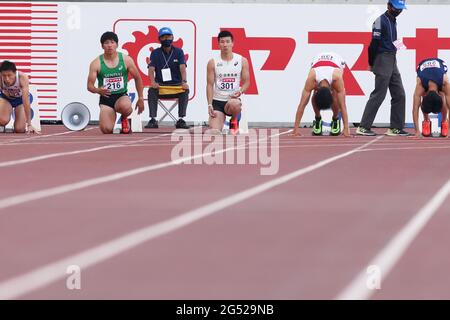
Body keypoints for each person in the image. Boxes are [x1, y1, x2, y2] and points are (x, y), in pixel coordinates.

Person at [356, 0, 409, 136]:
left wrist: (399, 46)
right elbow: (373, 44)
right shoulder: (380, 21)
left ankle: (396, 128)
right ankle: (363, 127)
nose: (399, 11)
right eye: (396, 8)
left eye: (401, 9)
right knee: (379, 94)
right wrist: (371, 62)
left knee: (399, 94)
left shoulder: (393, 20)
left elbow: (392, 40)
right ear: (388, 6)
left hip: (392, 58)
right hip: (382, 58)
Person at [87, 31, 144, 134]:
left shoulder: (126, 60)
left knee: (126, 107)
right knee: (106, 130)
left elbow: (138, 78)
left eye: (112, 42)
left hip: (121, 96)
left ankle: (124, 118)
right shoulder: (96, 63)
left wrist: (140, 98)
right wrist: (98, 90)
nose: (109, 45)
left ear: (117, 44)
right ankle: (111, 116)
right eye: (106, 43)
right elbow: (89, 86)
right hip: (106, 98)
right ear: (102, 46)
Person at [293, 52, 350, 137]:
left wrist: (346, 128)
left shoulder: (337, 77)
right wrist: (295, 130)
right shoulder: (312, 78)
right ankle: (318, 118)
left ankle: (335, 119)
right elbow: (302, 105)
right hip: (317, 62)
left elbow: (342, 105)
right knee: (312, 94)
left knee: (336, 95)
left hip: (336, 61)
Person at [206, 30, 250, 135]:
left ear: (232, 43)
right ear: (218, 44)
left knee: (235, 104)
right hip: (218, 102)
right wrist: (209, 104)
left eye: (227, 41)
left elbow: (247, 82)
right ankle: (218, 122)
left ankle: (234, 121)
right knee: (214, 132)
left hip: (232, 100)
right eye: (222, 42)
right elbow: (209, 85)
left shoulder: (242, 60)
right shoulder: (212, 62)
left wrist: (240, 91)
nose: (225, 44)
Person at [146, 27, 190, 129]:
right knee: (151, 90)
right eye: (164, 37)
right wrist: (152, 82)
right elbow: (151, 69)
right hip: (160, 87)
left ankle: (181, 119)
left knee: (185, 90)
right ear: (159, 39)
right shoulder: (155, 53)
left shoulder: (179, 52)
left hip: (176, 87)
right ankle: (153, 119)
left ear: (173, 37)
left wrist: (184, 82)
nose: (166, 39)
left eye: (169, 36)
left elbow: (182, 68)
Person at [412, 58, 450, 137]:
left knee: (444, 95)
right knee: (424, 98)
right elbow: (415, 108)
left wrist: (449, 130)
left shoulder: (445, 83)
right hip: (423, 67)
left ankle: (444, 121)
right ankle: (426, 120)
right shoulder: (420, 85)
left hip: (440, 66)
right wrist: (417, 131)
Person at [0, 60, 40, 133]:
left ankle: (17, 123)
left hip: (20, 100)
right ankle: (3, 121)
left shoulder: (23, 77)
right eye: (4, 76)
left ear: (15, 73)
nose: (7, 79)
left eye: (9, 75)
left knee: (19, 129)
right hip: (6, 99)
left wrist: (29, 124)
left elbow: (25, 101)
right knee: (3, 120)